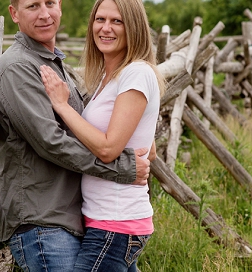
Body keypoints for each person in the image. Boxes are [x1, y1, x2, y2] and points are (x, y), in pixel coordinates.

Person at [0, 0, 152, 271]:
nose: (44, 14)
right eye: (32, 6)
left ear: (60, 6)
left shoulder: (56, 65)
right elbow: (51, 142)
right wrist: (123, 166)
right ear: (14, 14)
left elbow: (93, 123)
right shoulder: (17, 67)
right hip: (44, 221)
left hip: (74, 218)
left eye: (50, 3)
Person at [40, 0, 165, 270]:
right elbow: (149, 149)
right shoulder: (110, 78)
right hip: (108, 221)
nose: (105, 28)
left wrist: (61, 105)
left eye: (116, 21)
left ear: (134, 27)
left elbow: (108, 149)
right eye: (100, 20)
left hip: (116, 223)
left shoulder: (136, 73)